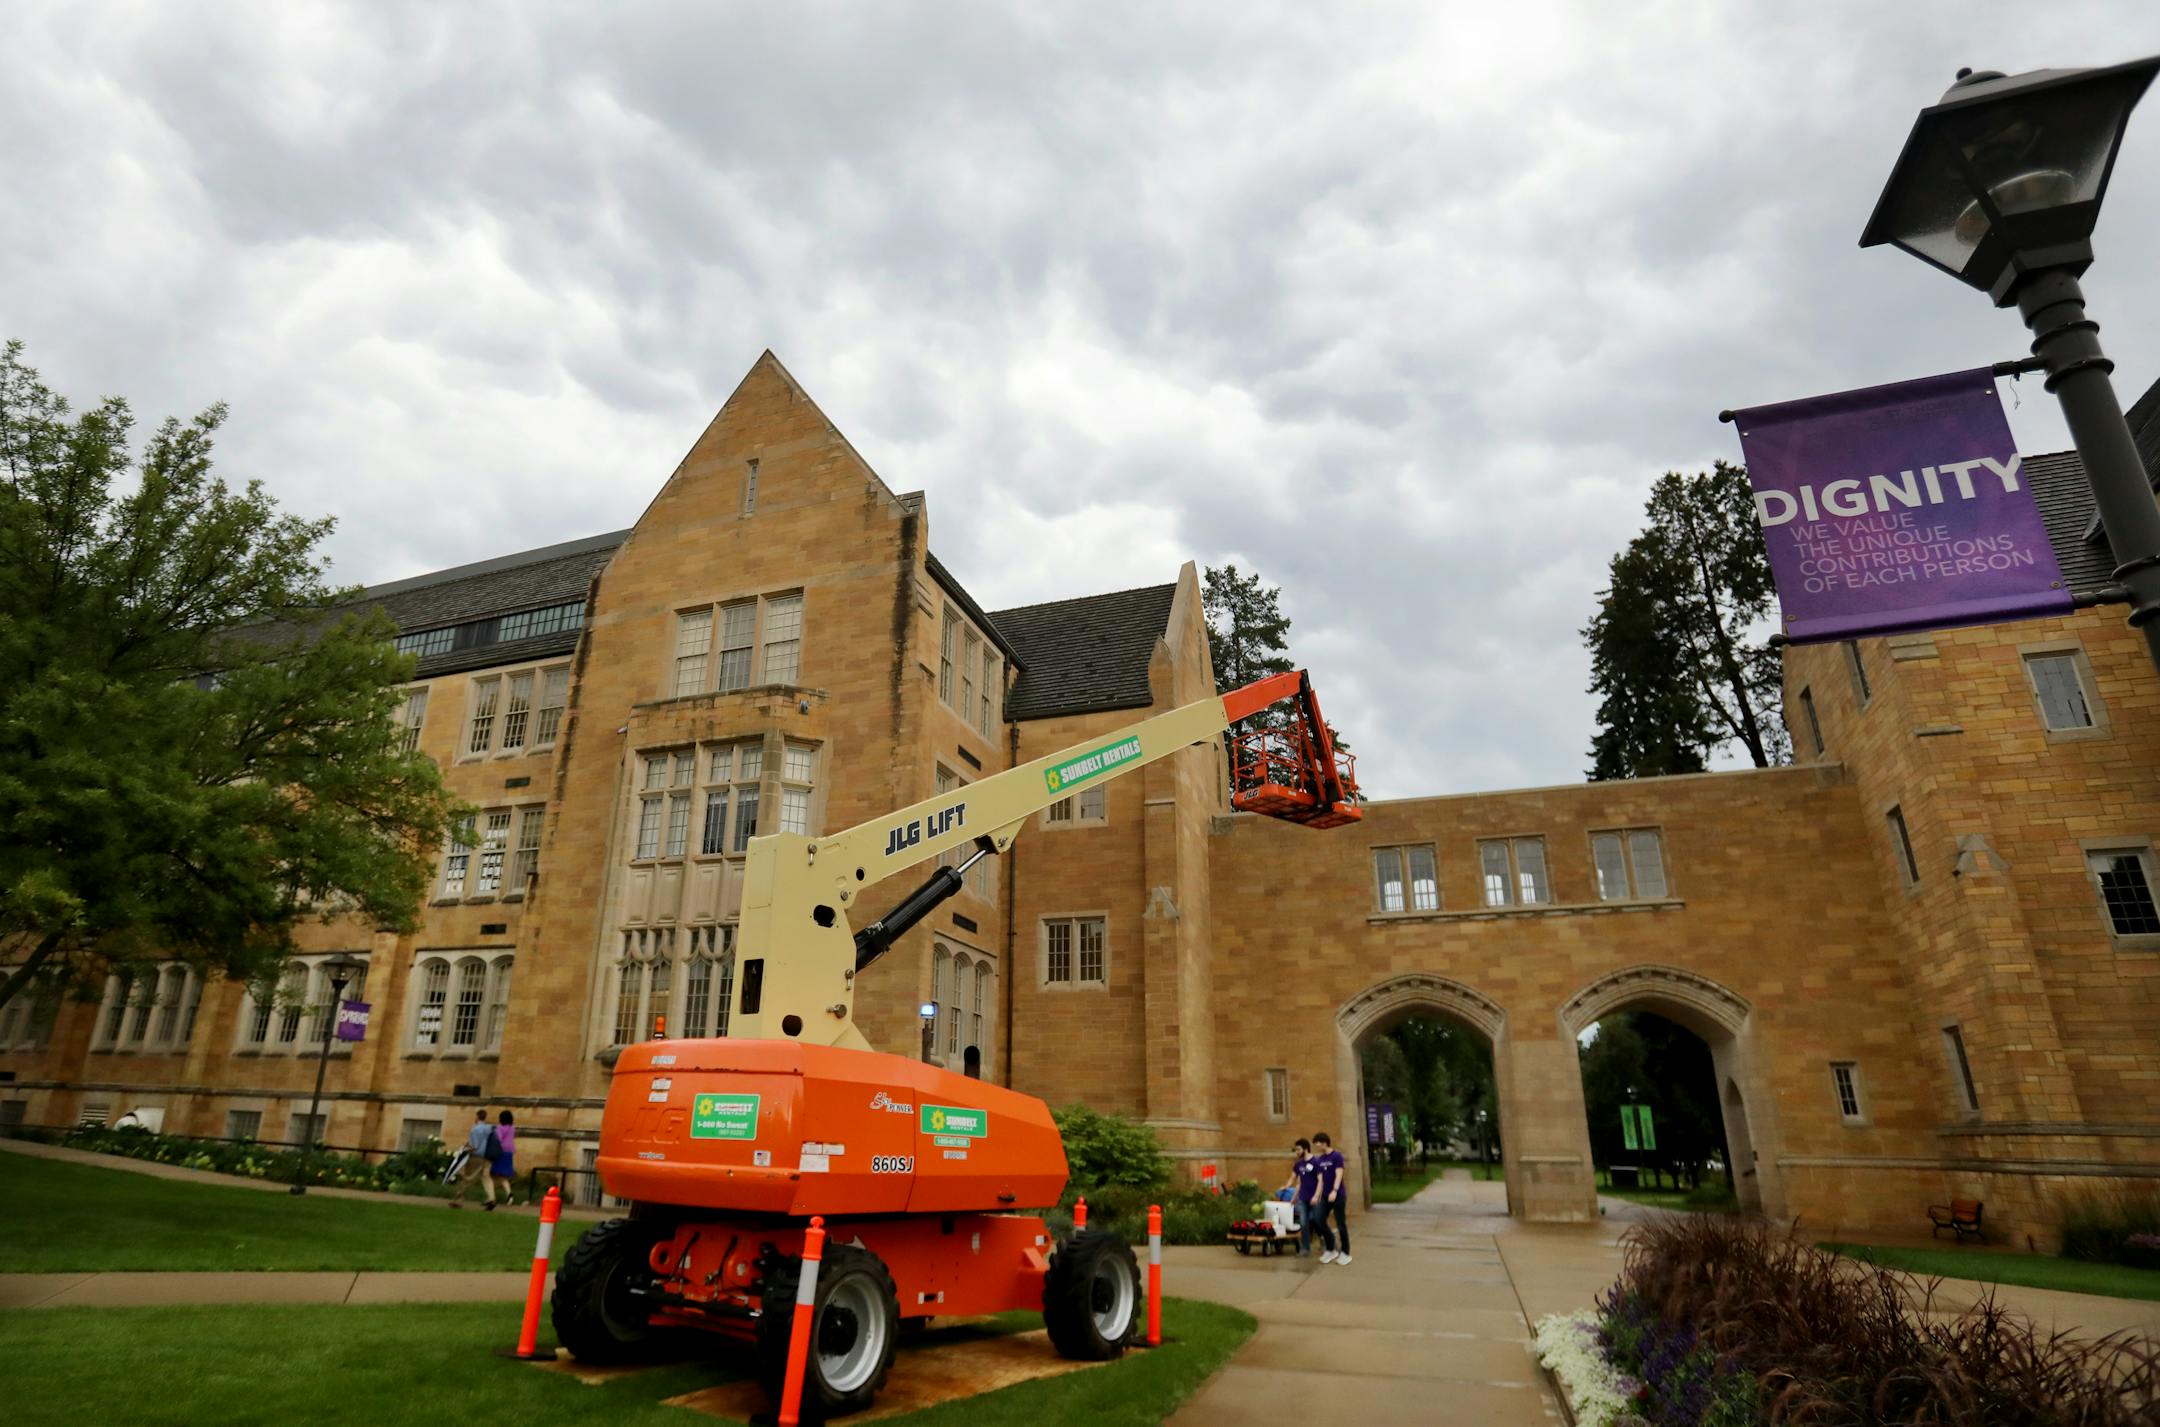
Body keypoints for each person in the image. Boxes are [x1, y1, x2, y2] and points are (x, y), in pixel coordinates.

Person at [1312, 1130, 1351, 1265]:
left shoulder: (1336, 1156)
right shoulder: (1320, 1159)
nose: (1317, 1147)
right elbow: (1321, 1180)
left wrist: (1334, 1190)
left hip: (1338, 1195)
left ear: (1324, 1143)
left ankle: (1345, 1253)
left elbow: (1339, 1174)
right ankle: (1331, 1248)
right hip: (1325, 1196)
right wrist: (1317, 1195)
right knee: (1319, 1219)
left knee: (1341, 1223)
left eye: (1318, 1144)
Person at [449, 1108, 499, 1209]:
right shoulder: (490, 1128)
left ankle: (458, 1200)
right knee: (486, 1177)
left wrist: (464, 1150)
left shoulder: (475, 1129)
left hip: (477, 1156)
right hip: (488, 1156)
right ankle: (492, 1198)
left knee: (467, 1178)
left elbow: (474, 1146)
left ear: (477, 1116)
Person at [1291, 1136, 1329, 1258]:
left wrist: (1317, 1196)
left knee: (1318, 1221)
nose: (1297, 1152)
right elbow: (1299, 1183)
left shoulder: (1316, 1162)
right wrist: (1294, 1197)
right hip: (1302, 1199)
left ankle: (1326, 1243)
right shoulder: (1299, 1164)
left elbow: (1320, 1180)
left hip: (1315, 1199)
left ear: (1305, 1149)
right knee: (1303, 1223)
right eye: (1296, 1150)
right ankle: (1305, 1248)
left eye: (1298, 1149)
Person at [488, 1109, 518, 1206]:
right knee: (503, 1177)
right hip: (509, 1152)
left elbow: (498, 1139)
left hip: (500, 1152)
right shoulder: (512, 1128)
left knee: (492, 1175)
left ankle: (491, 1197)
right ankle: (509, 1194)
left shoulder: (499, 1128)